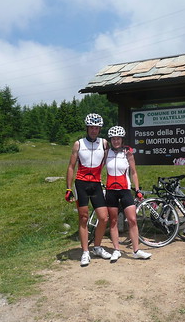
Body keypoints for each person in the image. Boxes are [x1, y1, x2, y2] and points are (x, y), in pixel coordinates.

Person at [66, 113, 111, 266]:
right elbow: (71, 166)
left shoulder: (104, 143)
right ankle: (85, 251)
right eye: (91, 127)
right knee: (83, 218)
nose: (94, 130)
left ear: (100, 129)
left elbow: (105, 162)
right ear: (87, 128)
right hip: (81, 184)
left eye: (97, 128)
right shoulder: (78, 144)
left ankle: (97, 247)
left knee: (104, 218)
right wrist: (68, 188)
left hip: (96, 184)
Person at [105, 125, 152, 262]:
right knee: (113, 221)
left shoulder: (128, 153)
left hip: (125, 190)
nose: (116, 141)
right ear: (110, 140)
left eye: (118, 138)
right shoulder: (106, 153)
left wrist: (137, 189)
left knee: (132, 220)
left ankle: (136, 250)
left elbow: (133, 172)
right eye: (113, 139)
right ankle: (116, 249)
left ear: (122, 139)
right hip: (111, 191)